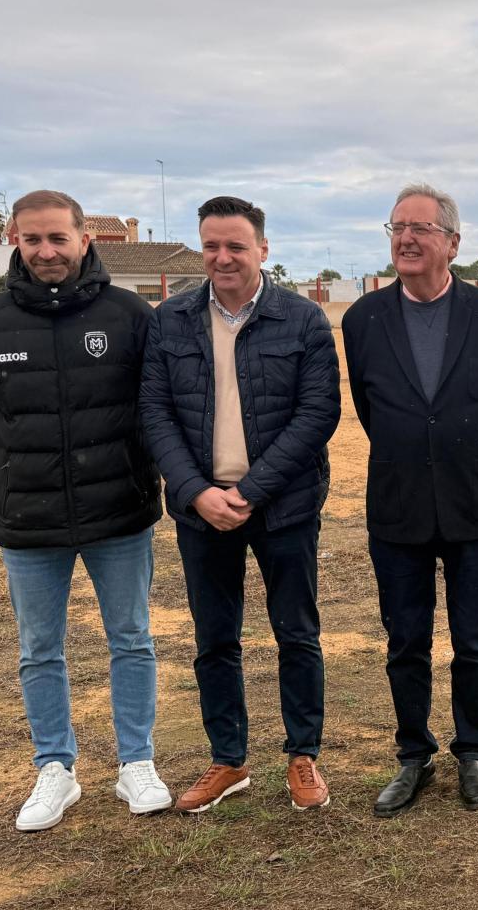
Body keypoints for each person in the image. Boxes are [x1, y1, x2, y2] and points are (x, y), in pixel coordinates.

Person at [0, 189, 170, 830]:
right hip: (29, 520)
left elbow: (155, 404)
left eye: (58, 238)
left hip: (119, 513)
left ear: (83, 240)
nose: (46, 250)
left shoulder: (130, 315)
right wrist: (20, 464)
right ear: (16, 240)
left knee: (131, 638)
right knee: (39, 648)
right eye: (32, 239)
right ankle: (55, 769)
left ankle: (137, 764)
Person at [138, 195, 341, 813]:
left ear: (263, 250)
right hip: (202, 512)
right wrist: (197, 492)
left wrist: (249, 492)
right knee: (214, 639)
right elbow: (155, 412)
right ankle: (228, 760)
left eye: (235, 246)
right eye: (210, 246)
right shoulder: (169, 319)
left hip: (282, 507)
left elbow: (317, 415)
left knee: (296, 633)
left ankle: (302, 755)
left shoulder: (302, 320)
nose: (221, 257)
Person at [342, 184, 478, 816]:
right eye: (396, 227)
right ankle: (412, 755)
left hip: (474, 504)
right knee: (406, 640)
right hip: (397, 505)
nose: (406, 238)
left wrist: (464, 459)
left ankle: (473, 752)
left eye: (420, 228)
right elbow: (373, 411)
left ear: (452, 241)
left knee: (474, 639)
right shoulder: (362, 320)